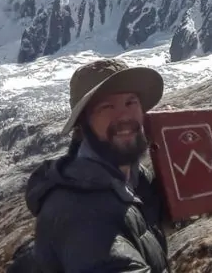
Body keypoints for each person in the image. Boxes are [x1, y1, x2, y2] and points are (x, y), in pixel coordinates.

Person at [24, 58, 170, 272]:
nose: (125, 116)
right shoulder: (81, 213)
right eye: (107, 107)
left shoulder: (134, 179)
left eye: (131, 102)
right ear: (82, 125)